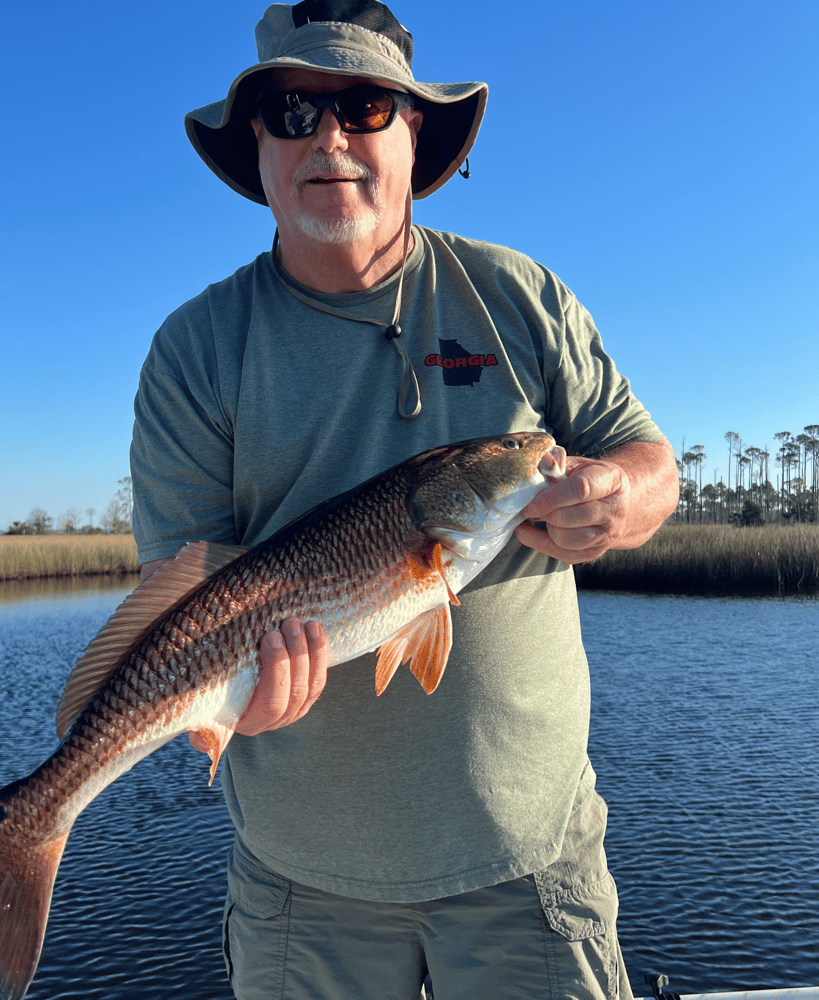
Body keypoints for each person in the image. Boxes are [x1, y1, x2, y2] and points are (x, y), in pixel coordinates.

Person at [129, 2, 679, 998]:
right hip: (302, 882)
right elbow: (177, 588)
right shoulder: (194, 350)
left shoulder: (519, 295)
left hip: (530, 861)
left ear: (412, 130)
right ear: (255, 143)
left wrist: (618, 496)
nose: (329, 138)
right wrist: (228, 698)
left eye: (366, 105)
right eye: (293, 111)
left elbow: (644, 456)